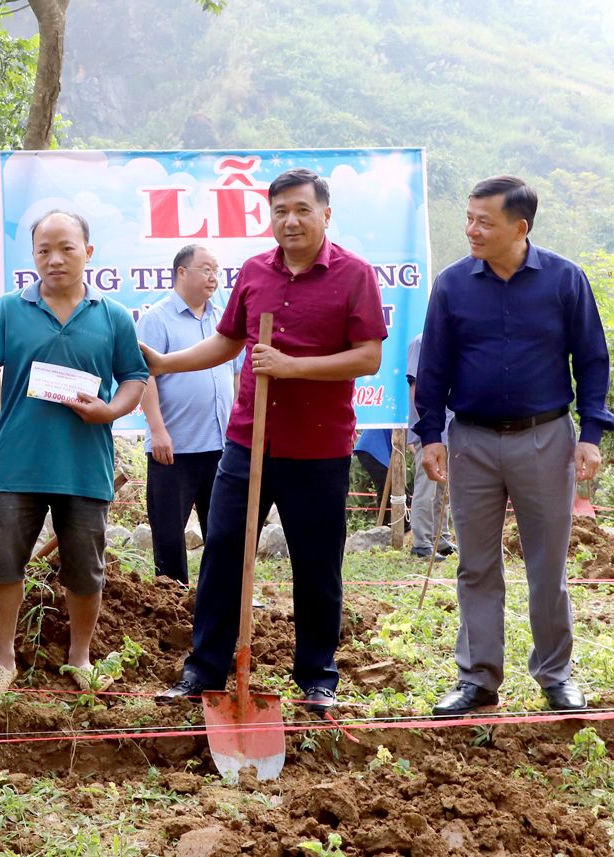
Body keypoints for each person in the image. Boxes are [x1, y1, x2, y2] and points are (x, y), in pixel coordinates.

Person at [149, 168, 386, 715]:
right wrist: (166, 362)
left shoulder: (354, 275)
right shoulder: (256, 272)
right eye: (280, 210)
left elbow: (368, 357)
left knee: (317, 563)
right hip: (247, 442)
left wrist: (292, 366)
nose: (290, 220)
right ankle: (203, 670)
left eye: (302, 209)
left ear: (325, 214)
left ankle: (317, 677)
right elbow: (228, 342)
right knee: (224, 556)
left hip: (320, 448)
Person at [415, 175, 614, 716]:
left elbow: (593, 360)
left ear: (519, 227)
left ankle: (556, 675)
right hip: (471, 441)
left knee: (547, 563)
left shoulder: (565, 280)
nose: (471, 230)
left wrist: (591, 434)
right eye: (469, 218)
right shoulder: (453, 285)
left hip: (545, 438)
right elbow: (432, 366)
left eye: (484, 221)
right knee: (476, 564)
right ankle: (477, 679)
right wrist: (430, 435)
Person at [0, 210, 149, 693]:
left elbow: (135, 376)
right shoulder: (9, 309)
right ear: (32, 257)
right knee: (4, 563)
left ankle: (81, 657)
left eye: (66, 248)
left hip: (84, 466)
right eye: (43, 251)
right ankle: (3, 659)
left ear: (87, 252)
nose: (54, 260)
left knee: (85, 570)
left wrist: (110, 412)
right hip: (17, 465)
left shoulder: (111, 316)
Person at [136, 244, 239, 583]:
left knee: (222, 532)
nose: (214, 277)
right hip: (173, 448)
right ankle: (173, 602)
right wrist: (157, 430)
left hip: (220, 446)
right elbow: (144, 376)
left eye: (217, 271)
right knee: (168, 533)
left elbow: (235, 374)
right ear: (182, 272)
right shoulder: (156, 319)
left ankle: (219, 599)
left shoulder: (223, 318)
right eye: (206, 269)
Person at [406, 333, 454, 560]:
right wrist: (425, 428)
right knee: (426, 486)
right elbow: (417, 388)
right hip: (429, 428)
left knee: (444, 486)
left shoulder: (454, 340)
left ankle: (440, 537)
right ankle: (421, 543)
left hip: (451, 424)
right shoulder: (421, 341)